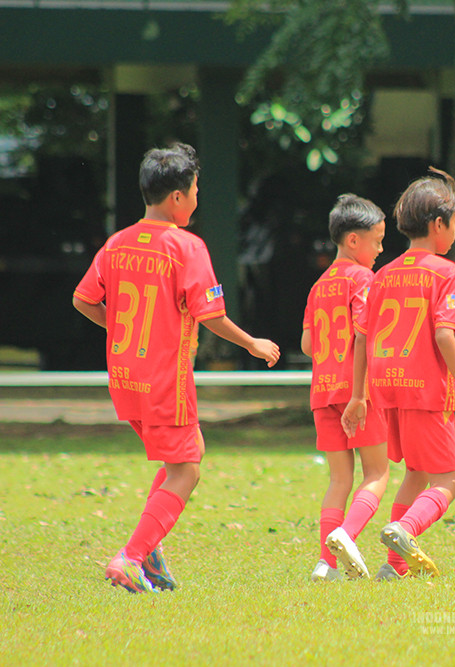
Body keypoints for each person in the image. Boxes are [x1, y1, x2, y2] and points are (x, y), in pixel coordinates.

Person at [72, 143, 280, 593]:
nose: (198, 198)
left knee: (182, 457)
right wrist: (252, 343)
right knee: (187, 469)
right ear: (178, 198)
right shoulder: (186, 246)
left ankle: (151, 556)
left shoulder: (117, 242)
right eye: (197, 190)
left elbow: (83, 298)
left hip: (125, 378)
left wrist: (120, 330)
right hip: (166, 379)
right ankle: (131, 557)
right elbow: (211, 315)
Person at [342, 167, 455, 581]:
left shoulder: (382, 274)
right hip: (425, 389)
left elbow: (363, 337)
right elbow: (443, 334)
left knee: (416, 474)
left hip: (387, 388)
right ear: (439, 224)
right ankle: (405, 530)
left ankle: (395, 565)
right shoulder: (447, 271)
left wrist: (359, 394)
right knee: (448, 481)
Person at [301, 194, 390, 582]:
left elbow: (307, 345)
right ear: (354, 240)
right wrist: (361, 393)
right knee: (378, 473)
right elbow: (363, 333)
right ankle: (346, 534)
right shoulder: (363, 278)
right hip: (357, 393)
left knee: (339, 479)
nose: (381, 248)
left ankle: (327, 563)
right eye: (377, 239)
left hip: (322, 391)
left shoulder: (319, 285)